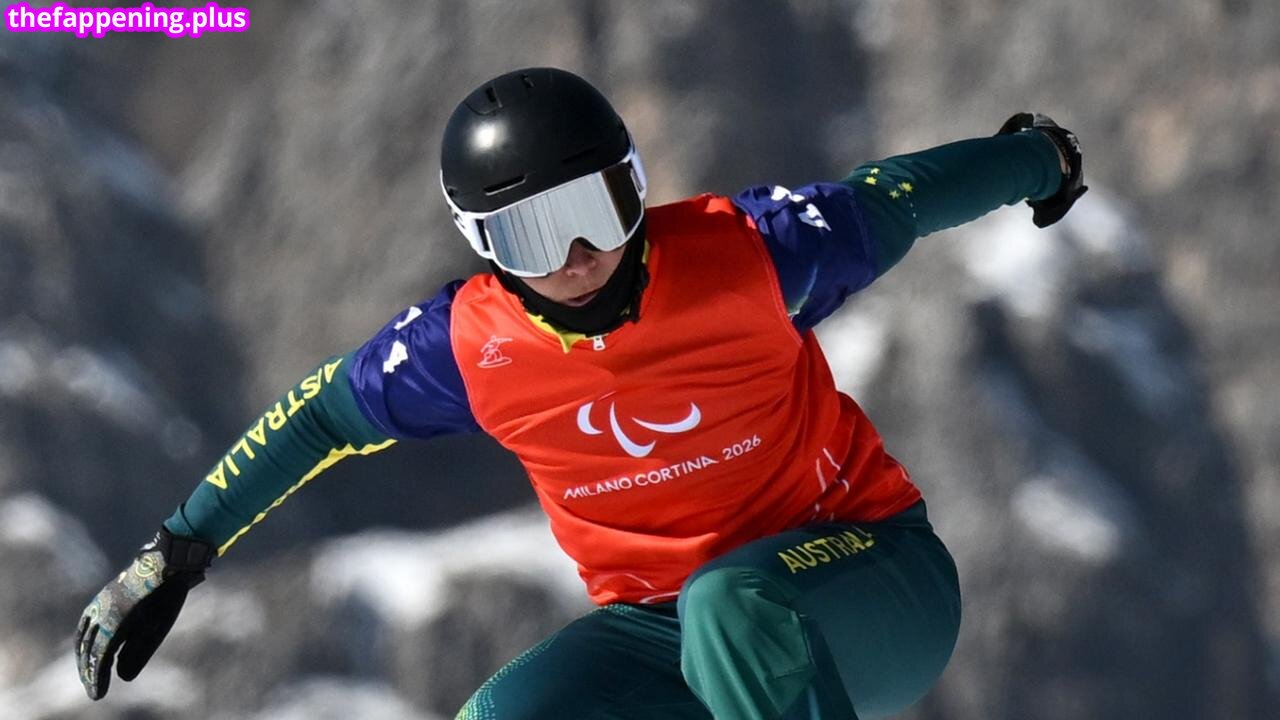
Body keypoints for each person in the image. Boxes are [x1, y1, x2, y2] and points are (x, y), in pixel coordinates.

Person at [74, 67, 1086, 719]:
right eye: (528, 233)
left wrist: (1038, 159)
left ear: (634, 187)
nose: (574, 256)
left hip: (869, 584)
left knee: (733, 600)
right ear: (482, 244)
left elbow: (896, 197)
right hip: (669, 640)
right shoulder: (466, 347)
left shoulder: (749, 253)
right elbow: (316, 418)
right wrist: (178, 552)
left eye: (595, 209)